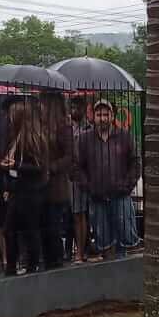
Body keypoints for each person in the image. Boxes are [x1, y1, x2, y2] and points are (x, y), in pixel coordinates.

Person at [74, 99, 140, 260]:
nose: (102, 118)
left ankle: (124, 273)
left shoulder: (124, 136)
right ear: (93, 117)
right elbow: (76, 167)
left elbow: (136, 162)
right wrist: (88, 187)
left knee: (125, 239)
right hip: (97, 198)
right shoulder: (84, 139)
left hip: (121, 196)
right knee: (104, 241)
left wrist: (127, 186)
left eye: (105, 114)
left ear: (112, 116)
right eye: (99, 114)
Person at [2, 96, 51, 274]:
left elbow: (38, 167)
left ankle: (31, 265)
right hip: (17, 190)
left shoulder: (33, 138)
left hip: (31, 192)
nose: (8, 118)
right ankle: (11, 267)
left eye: (12, 115)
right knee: (10, 230)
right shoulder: (14, 138)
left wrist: (15, 165)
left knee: (30, 229)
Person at [42, 95, 75, 268]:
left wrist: (52, 167)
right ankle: (48, 259)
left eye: (43, 102)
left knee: (53, 225)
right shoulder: (41, 126)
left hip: (57, 185)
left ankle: (57, 259)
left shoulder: (64, 127)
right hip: (41, 184)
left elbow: (70, 156)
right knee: (45, 225)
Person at [65, 96, 92, 262]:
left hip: (80, 177)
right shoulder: (66, 128)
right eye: (72, 106)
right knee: (70, 216)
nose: (75, 109)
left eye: (78, 106)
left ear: (84, 109)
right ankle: (70, 249)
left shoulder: (88, 129)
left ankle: (81, 251)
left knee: (80, 214)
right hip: (67, 176)